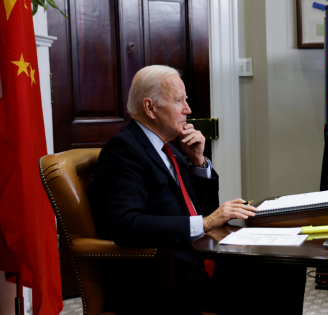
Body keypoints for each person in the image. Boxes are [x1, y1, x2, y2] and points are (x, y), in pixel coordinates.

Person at [91, 65, 306, 315]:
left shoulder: (170, 149)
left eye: (187, 100)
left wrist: (198, 163)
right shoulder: (124, 150)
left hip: (201, 258)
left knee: (288, 261)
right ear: (150, 107)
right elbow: (126, 225)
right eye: (179, 100)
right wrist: (206, 223)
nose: (188, 110)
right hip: (168, 276)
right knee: (266, 287)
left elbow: (203, 210)